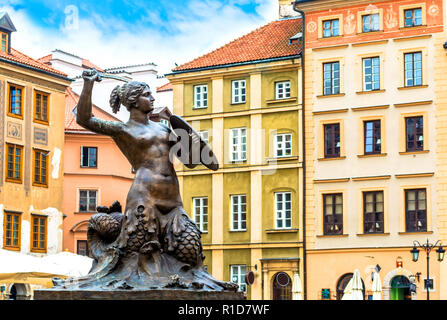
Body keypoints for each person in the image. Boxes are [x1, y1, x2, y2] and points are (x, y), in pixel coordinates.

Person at [56, 69, 236, 291]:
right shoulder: (122, 129)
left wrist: (191, 139)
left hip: (173, 202)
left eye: (152, 94)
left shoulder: (163, 127)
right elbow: (85, 119)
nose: (152, 98)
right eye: (147, 94)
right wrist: (88, 84)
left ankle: (191, 283)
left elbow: (190, 159)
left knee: (190, 249)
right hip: (145, 198)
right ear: (133, 101)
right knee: (137, 255)